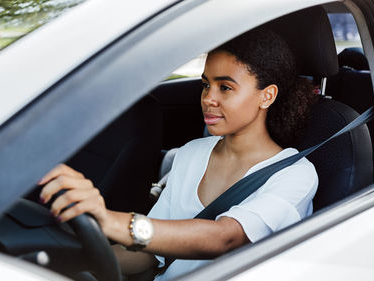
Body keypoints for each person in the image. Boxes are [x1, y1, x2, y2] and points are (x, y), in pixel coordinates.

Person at [39, 28, 318, 280]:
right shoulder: (191, 154)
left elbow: (226, 239)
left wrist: (108, 219)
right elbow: (150, 253)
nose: (208, 97)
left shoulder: (294, 174)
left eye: (225, 87)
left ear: (266, 96)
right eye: (206, 84)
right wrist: (68, 264)